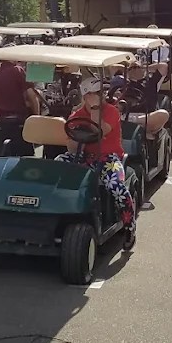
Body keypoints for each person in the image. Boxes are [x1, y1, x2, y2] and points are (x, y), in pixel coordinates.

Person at [63, 77, 138, 250]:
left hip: (108, 157)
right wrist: (75, 137)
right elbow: (71, 147)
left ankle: (129, 227)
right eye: (89, 94)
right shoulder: (76, 115)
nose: (93, 97)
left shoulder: (111, 111)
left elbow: (101, 131)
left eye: (96, 94)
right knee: (59, 165)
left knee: (116, 186)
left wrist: (95, 108)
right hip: (84, 156)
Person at [0, 56, 31, 157]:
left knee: (2, 154)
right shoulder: (18, 71)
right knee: (25, 154)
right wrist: (36, 114)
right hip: (20, 118)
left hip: (4, 120)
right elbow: (30, 94)